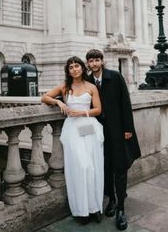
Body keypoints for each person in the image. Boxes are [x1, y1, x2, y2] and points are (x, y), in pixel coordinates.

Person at [42, 56, 104, 225]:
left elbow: (98, 109)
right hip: (72, 130)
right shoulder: (64, 86)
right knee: (80, 167)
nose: (74, 69)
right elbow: (44, 97)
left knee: (92, 167)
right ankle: (80, 210)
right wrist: (58, 103)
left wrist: (84, 113)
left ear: (83, 68)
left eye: (77, 66)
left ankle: (94, 208)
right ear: (68, 71)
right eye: (71, 67)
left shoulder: (91, 87)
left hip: (89, 128)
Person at [86, 49, 141, 231]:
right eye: (90, 61)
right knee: (105, 166)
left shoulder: (115, 77)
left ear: (102, 62)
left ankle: (121, 209)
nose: (93, 64)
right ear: (88, 64)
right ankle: (111, 199)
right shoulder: (87, 81)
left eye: (96, 60)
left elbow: (125, 102)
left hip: (117, 130)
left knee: (119, 167)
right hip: (98, 132)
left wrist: (127, 129)